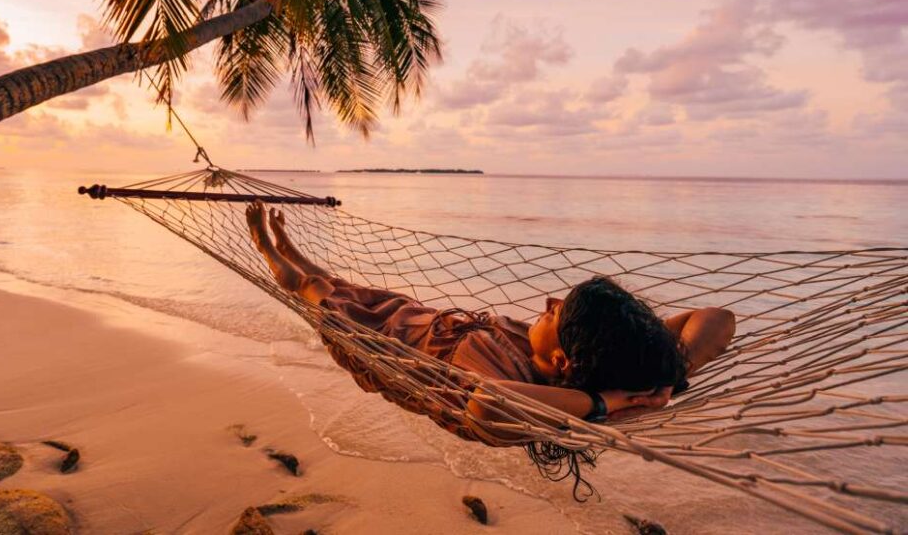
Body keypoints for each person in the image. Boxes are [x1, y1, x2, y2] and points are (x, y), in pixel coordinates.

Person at [245, 201, 736, 424]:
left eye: (552, 315)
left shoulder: (530, 388)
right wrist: (671, 372)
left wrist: (604, 405)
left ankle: (271, 251)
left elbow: (487, 402)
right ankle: (290, 246)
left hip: (385, 346)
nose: (543, 308)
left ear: (564, 363)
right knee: (344, 284)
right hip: (418, 317)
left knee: (315, 290)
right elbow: (719, 318)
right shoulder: (618, 359)